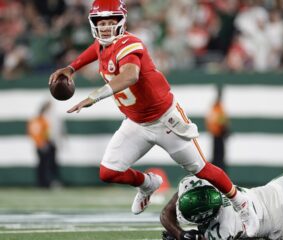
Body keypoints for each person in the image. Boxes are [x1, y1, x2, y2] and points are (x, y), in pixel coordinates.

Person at [48, 0, 258, 236]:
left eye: (110, 22)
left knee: (201, 168)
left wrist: (94, 97)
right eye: (101, 22)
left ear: (121, 22)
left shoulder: (130, 43)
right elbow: (95, 49)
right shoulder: (103, 45)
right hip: (136, 123)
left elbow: (130, 75)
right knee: (108, 172)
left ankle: (243, 204)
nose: (105, 27)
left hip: (165, 119)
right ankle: (148, 184)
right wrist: (71, 68)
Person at [27, 100, 61, 188]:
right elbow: (34, 132)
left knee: (50, 164)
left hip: (49, 144)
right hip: (42, 144)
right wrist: (40, 142)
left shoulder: (48, 118)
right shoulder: (38, 120)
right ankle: (43, 183)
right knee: (43, 165)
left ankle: (49, 182)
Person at [205, 86, 229, 171]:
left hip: (217, 134)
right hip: (217, 134)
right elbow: (220, 120)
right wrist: (224, 128)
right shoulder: (217, 107)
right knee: (218, 157)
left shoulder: (216, 107)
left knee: (218, 156)